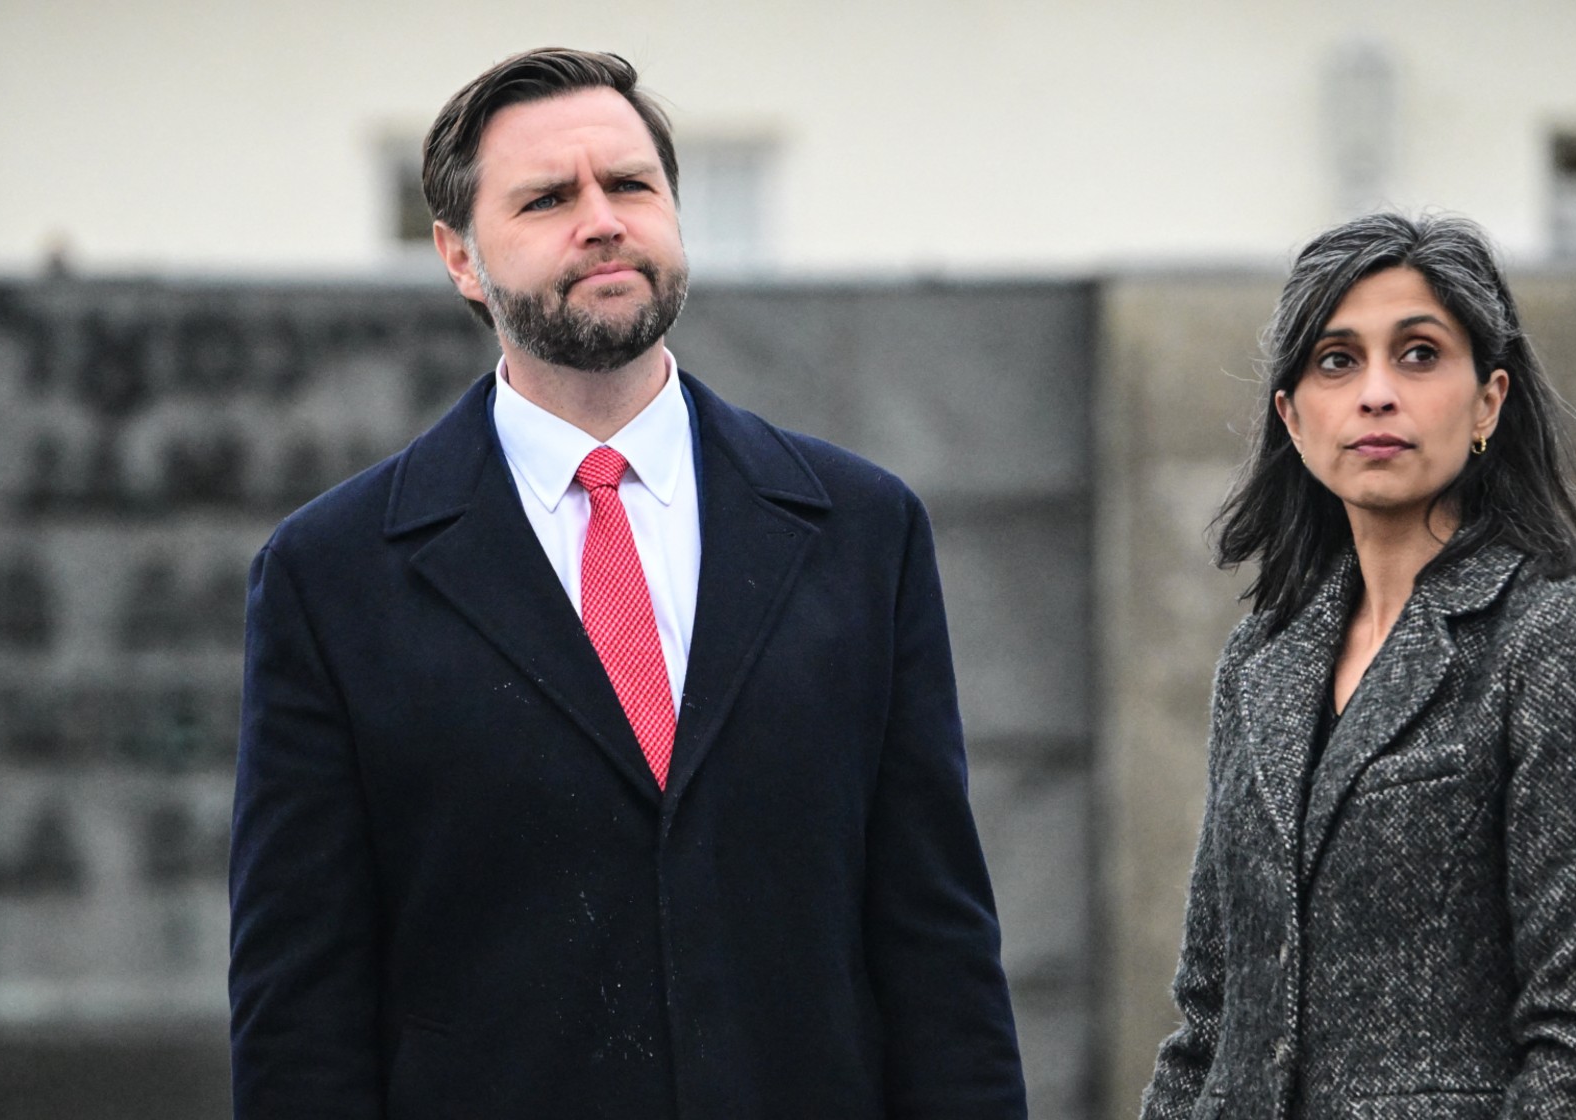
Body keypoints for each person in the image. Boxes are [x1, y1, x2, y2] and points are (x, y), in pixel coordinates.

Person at [228, 48, 1026, 1119]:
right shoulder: (330, 573)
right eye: (548, 198)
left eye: (631, 185)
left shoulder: (860, 529)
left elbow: (937, 943)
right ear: (461, 257)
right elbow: (299, 1000)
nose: (601, 220)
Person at [1140, 213, 1576, 1119]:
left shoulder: (1562, 643)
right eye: (1337, 361)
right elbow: (1208, 1020)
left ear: (1489, 401)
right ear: (1292, 415)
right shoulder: (1261, 663)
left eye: (1420, 354)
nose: (1377, 393)